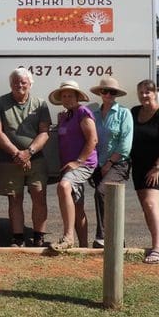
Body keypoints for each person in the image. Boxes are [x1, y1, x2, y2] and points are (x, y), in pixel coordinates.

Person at [0, 67, 51, 247]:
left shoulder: (40, 104)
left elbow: (45, 132)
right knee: (15, 199)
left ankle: (39, 237)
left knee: (39, 197)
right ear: (10, 84)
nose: (20, 85)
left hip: (36, 159)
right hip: (9, 161)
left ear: (30, 84)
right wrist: (16, 153)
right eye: (16, 82)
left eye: (24, 82)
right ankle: (17, 238)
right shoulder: (0, 103)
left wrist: (28, 152)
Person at [48, 80, 98, 252]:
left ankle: (68, 237)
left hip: (83, 164)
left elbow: (93, 140)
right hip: (68, 166)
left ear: (77, 97)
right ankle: (83, 247)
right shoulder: (65, 116)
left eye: (70, 95)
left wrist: (78, 161)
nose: (67, 98)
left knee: (64, 186)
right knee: (77, 205)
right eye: (64, 96)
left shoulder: (83, 112)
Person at [130, 79, 159, 263]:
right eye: (141, 92)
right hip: (139, 166)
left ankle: (158, 248)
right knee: (146, 207)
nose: (144, 95)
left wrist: (157, 168)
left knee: (150, 203)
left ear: (154, 92)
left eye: (147, 92)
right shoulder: (134, 112)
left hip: (158, 166)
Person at [89, 76, 133, 248]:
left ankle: (103, 237)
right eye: (105, 91)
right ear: (100, 93)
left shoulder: (124, 113)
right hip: (98, 164)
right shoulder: (94, 114)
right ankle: (116, 239)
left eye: (112, 92)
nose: (108, 94)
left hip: (118, 163)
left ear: (116, 95)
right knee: (110, 200)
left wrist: (109, 163)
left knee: (101, 193)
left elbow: (125, 145)